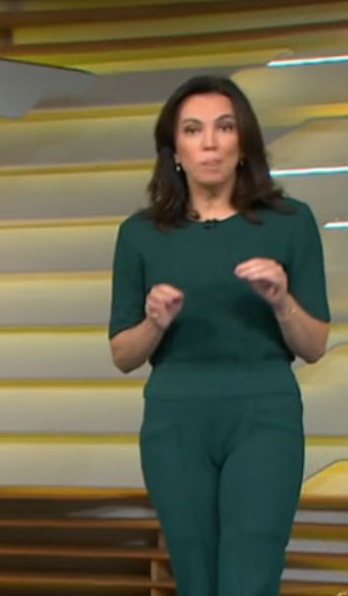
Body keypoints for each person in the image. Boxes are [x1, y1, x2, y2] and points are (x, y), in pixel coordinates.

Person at [108, 74, 330, 595]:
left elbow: (314, 345)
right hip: (175, 418)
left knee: (247, 579)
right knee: (196, 580)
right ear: (175, 150)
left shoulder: (290, 222)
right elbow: (123, 354)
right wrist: (154, 322)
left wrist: (281, 300)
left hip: (264, 415)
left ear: (242, 143)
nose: (209, 142)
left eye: (224, 127)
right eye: (193, 129)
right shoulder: (139, 234)